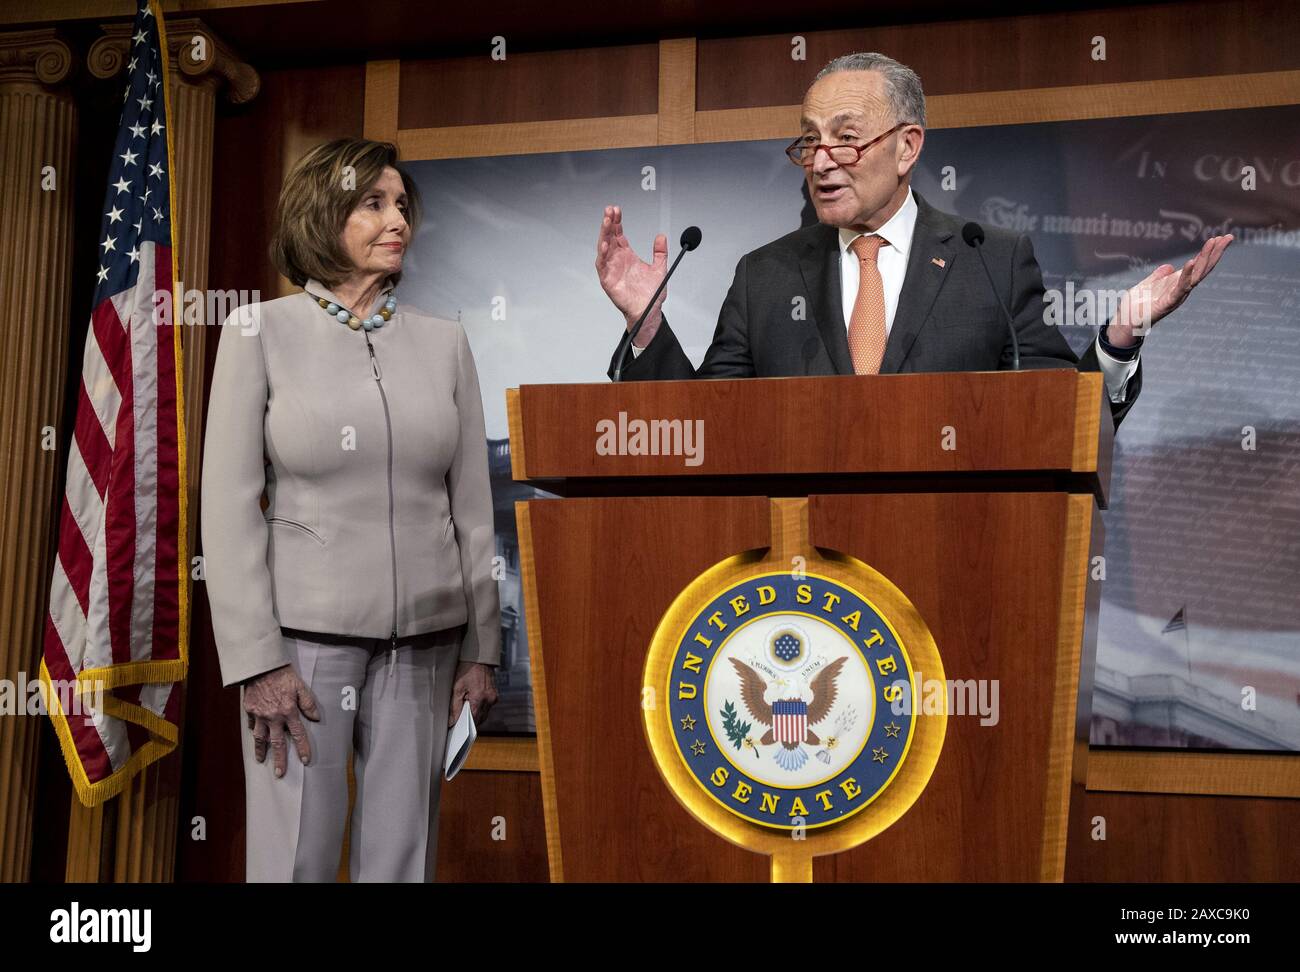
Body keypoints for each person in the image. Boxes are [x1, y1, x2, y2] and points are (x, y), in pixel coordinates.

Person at [598, 52, 1232, 428]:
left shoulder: (992, 260)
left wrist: (1120, 337)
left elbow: (1060, 420)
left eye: (845, 137)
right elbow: (703, 429)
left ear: (907, 146)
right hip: (797, 588)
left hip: (951, 570)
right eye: (810, 140)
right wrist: (649, 324)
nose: (821, 161)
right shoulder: (765, 274)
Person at [201, 137, 500, 882]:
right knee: (295, 857)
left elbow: (472, 509)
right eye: (373, 203)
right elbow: (229, 510)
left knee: (403, 862)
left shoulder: (446, 342)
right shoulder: (258, 332)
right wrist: (256, 660)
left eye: (401, 204)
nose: (396, 218)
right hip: (300, 650)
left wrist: (482, 646)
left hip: (427, 648)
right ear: (322, 213)